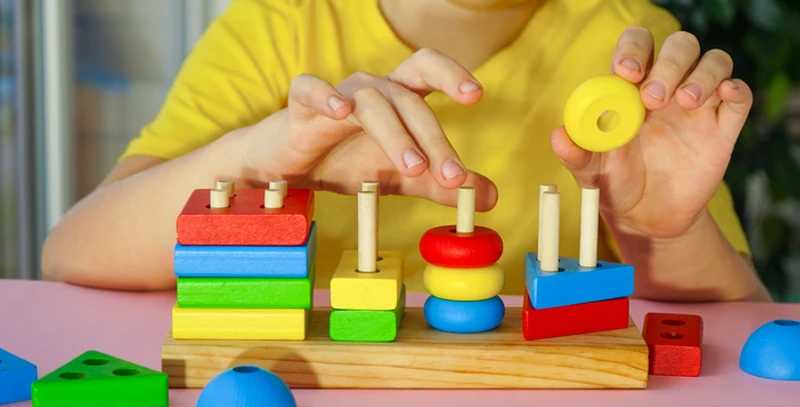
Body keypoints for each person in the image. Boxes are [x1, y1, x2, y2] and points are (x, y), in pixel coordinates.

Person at [41, 0, 772, 302]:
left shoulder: (630, 47)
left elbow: (731, 326)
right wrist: (261, 160)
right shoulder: (281, 23)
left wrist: (658, 229)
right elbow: (75, 249)